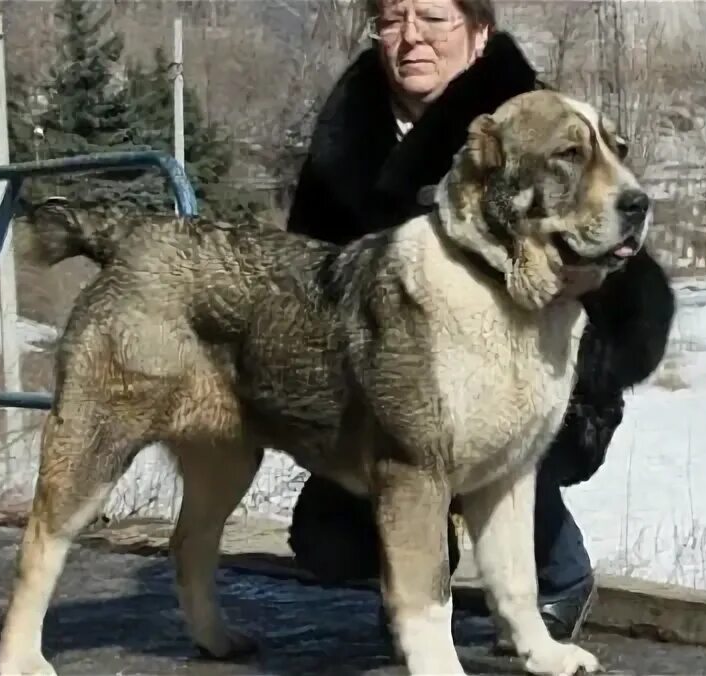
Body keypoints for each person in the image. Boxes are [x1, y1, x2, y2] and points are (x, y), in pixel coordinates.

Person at [284, 0, 676, 645]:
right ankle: (418, 574)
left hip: (535, 375)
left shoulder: (545, 123)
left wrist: (584, 294)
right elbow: (311, 271)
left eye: (433, 17)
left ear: (478, 29)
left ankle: (555, 578)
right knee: (328, 539)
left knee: (501, 431)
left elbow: (633, 278)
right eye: (391, 18)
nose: (411, 38)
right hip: (393, 388)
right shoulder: (348, 136)